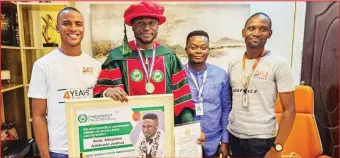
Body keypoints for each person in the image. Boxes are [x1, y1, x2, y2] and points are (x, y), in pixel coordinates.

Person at [93, 1, 196, 125]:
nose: (146, 28)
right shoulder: (117, 58)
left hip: (164, 130)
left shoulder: (169, 58)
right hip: (127, 130)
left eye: (151, 23)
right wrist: (107, 91)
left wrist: (188, 131)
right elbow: (100, 91)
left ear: (158, 26)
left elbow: (182, 100)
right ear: (132, 26)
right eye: (140, 23)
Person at [28, 7, 101, 158]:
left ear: (83, 28)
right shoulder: (43, 65)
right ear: (57, 28)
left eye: (78, 24)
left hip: (92, 147)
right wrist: (44, 154)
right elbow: (38, 116)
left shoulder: (96, 66)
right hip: (59, 151)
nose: (73, 28)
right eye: (67, 23)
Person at [227, 12, 296, 158]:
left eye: (263, 29)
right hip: (234, 135)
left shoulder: (279, 64)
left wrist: (277, 148)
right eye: (251, 28)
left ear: (269, 34)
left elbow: (289, 110)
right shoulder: (233, 63)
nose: (256, 33)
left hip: (261, 139)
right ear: (243, 32)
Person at [184, 30, 231, 158]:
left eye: (203, 48)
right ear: (186, 49)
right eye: (193, 47)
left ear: (208, 50)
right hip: (185, 140)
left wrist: (225, 141)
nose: (198, 51)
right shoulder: (177, 75)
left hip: (213, 141)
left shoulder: (221, 75)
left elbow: (226, 109)